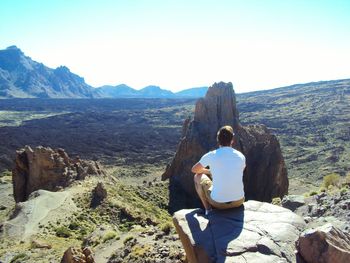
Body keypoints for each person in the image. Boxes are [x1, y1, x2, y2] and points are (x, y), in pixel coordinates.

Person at [191, 125, 246, 215]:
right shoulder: (240, 156)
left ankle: (208, 210)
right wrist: (212, 171)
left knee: (197, 176)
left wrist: (208, 171)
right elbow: (240, 170)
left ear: (218, 140)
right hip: (239, 201)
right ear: (232, 141)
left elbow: (194, 169)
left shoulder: (211, 155)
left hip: (218, 203)